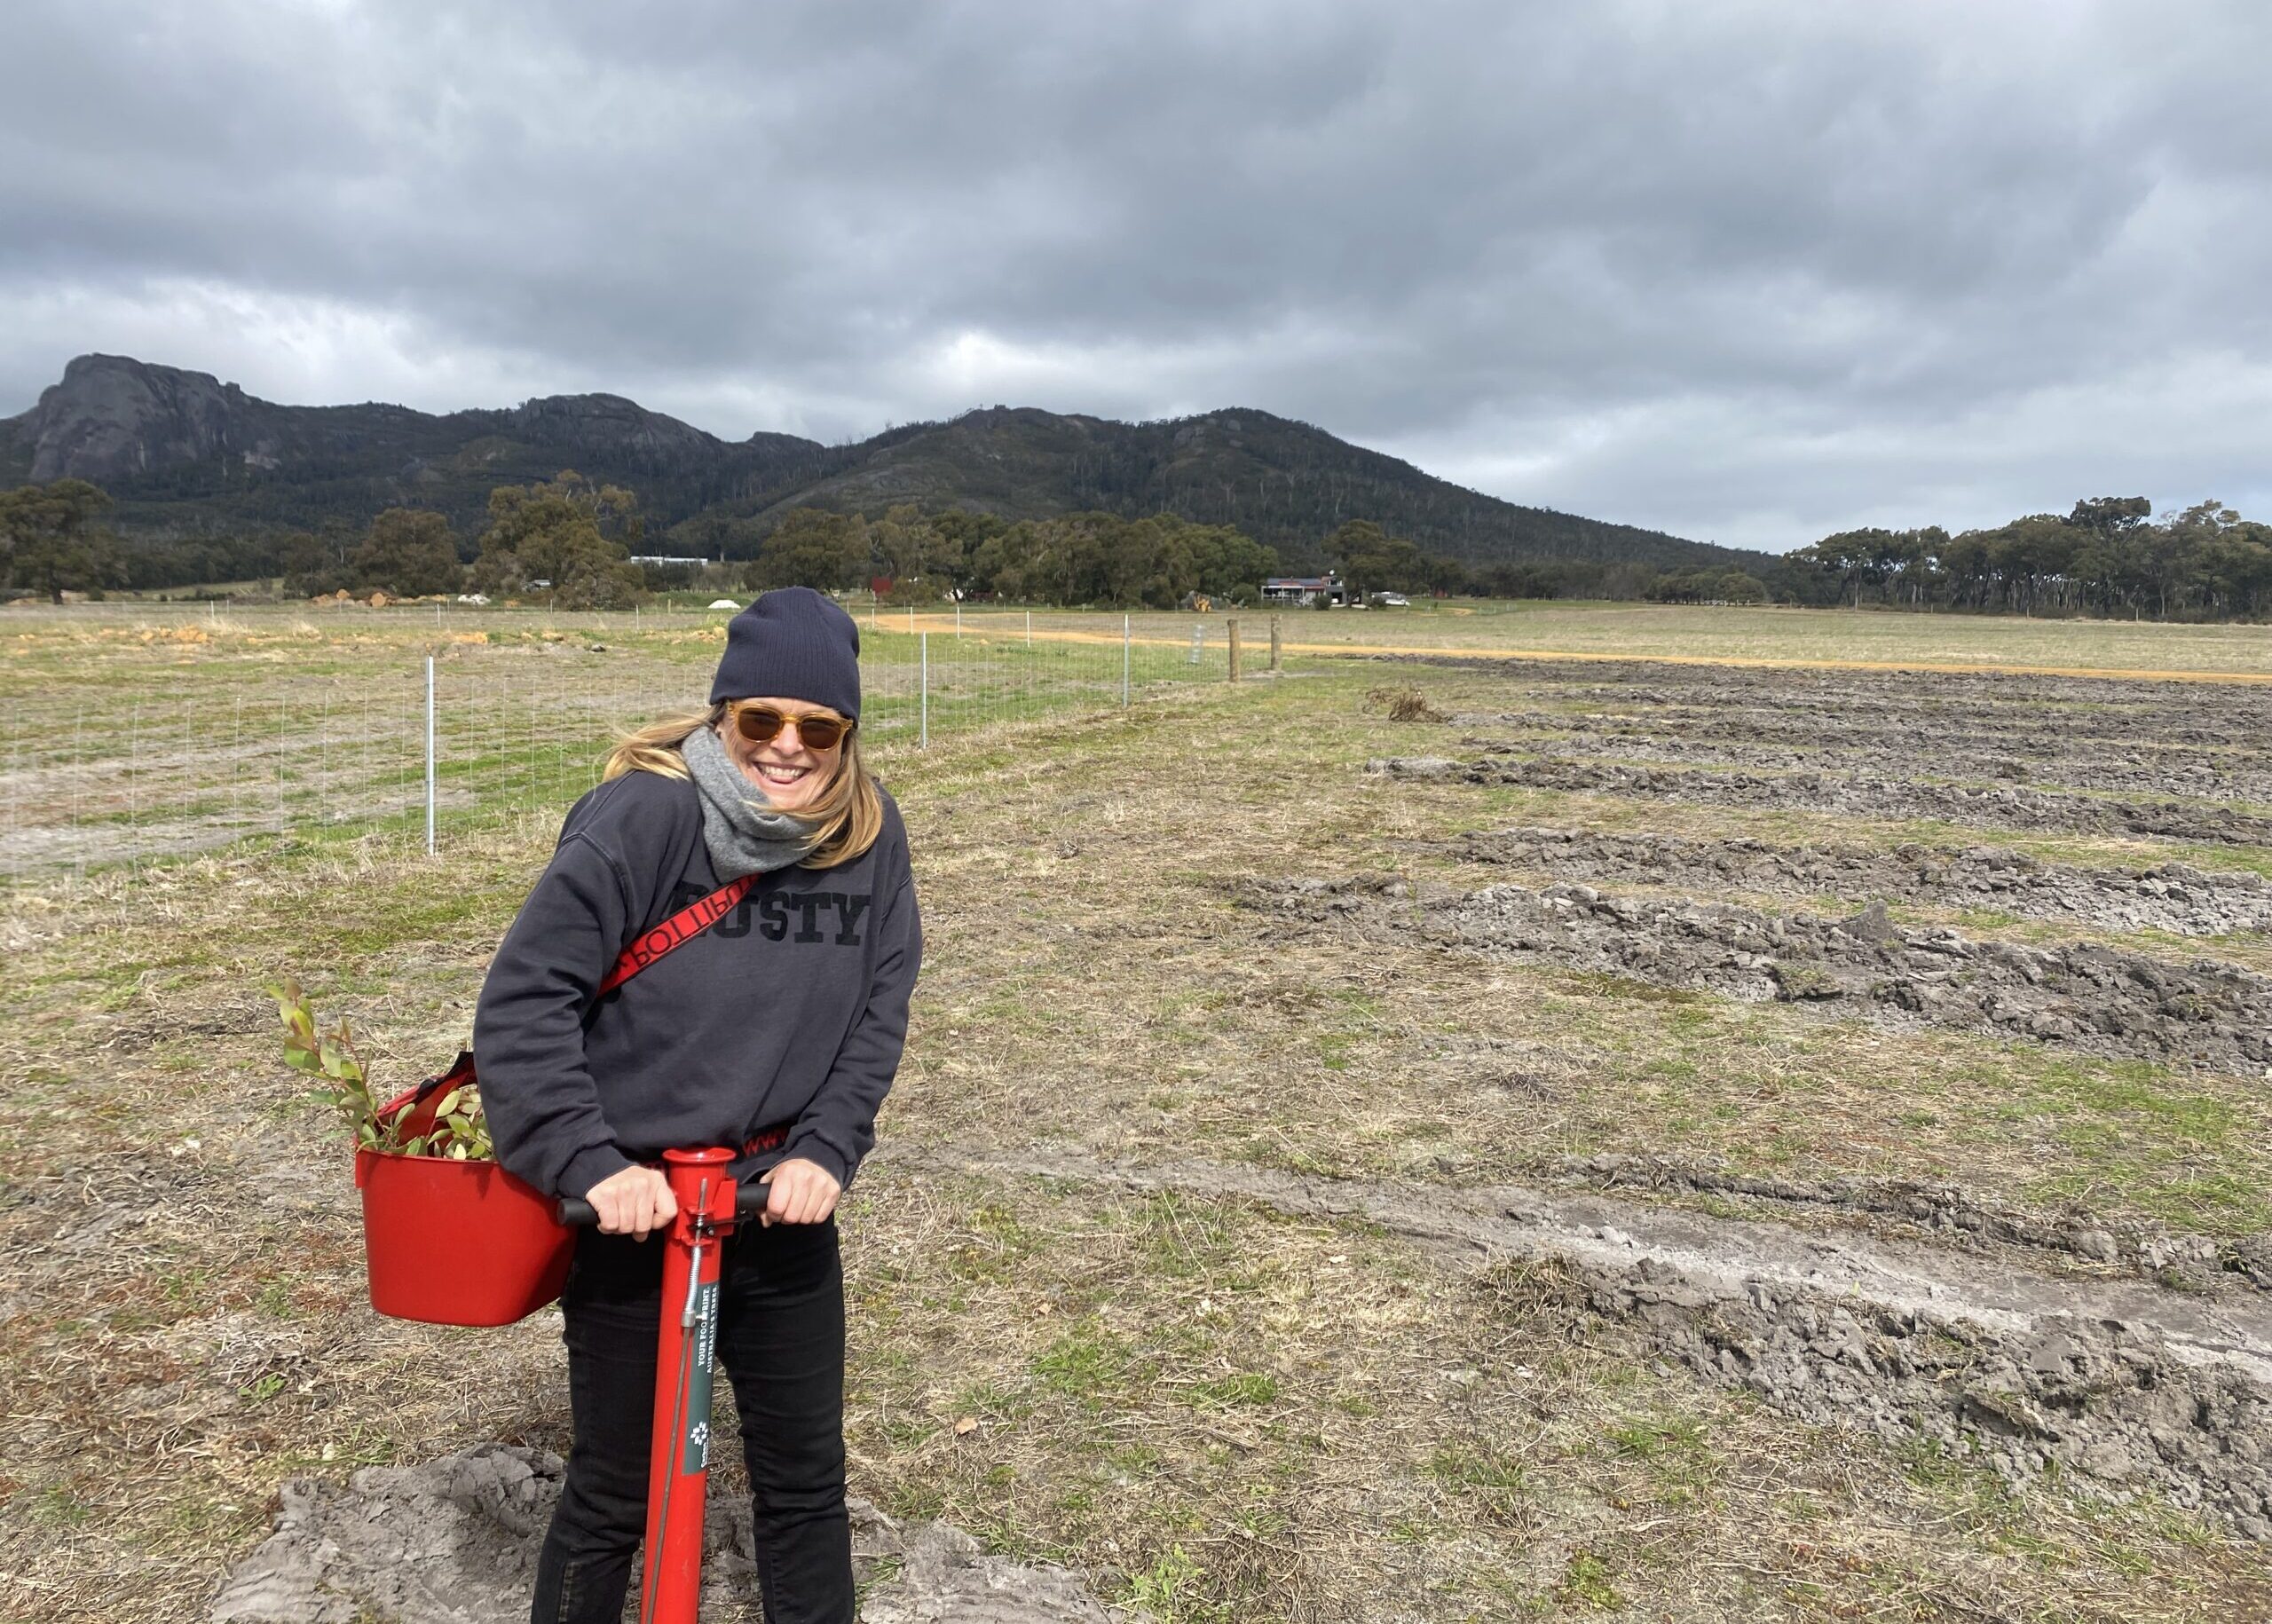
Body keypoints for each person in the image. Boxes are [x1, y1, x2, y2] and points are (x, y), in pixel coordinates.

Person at [473, 587, 922, 1624]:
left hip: (777, 1206)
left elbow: (878, 1009)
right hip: (640, 1208)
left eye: (818, 728)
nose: (786, 748)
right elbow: (524, 1004)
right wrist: (588, 1162)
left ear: (846, 733)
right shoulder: (645, 816)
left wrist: (827, 1150)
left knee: (805, 1488)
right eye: (761, 719)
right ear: (724, 712)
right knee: (615, 1492)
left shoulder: (865, 832)